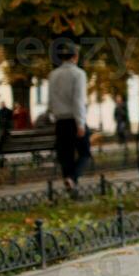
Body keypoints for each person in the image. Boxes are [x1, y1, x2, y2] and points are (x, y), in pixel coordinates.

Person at [47, 43, 89, 190]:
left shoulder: (53, 75)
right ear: (75, 57)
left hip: (60, 121)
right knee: (85, 153)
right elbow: (78, 100)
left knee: (66, 156)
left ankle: (69, 185)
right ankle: (72, 178)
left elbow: (51, 99)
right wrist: (81, 124)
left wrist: (53, 116)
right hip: (74, 119)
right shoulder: (78, 74)